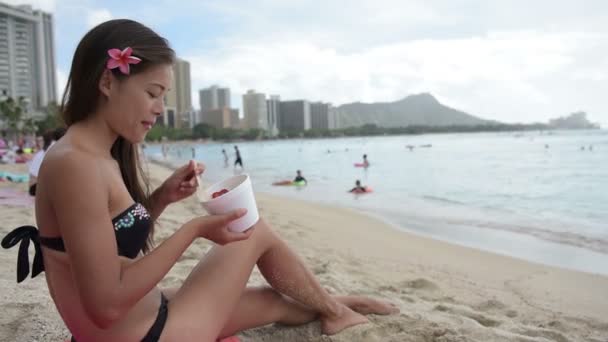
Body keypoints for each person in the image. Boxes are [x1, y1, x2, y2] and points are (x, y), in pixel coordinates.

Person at [1, 19, 396, 342]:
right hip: (146, 334)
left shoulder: (93, 154)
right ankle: (334, 311)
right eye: (153, 93)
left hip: (147, 317)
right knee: (251, 227)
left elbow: (108, 242)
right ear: (107, 83)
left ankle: (333, 303)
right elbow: (105, 304)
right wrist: (194, 230)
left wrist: (162, 198)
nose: (159, 109)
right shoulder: (76, 165)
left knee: (270, 300)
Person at [27, 131, 54, 196]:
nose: (39, 143)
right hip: (37, 187)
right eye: (38, 141)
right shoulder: (41, 154)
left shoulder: (43, 153)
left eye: (41, 141)